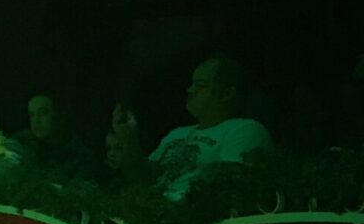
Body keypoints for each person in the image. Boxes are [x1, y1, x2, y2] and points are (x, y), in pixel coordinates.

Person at [112, 54, 271, 200]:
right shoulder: (176, 134)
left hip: (192, 218)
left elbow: (232, 186)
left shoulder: (245, 130)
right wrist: (129, 138)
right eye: (192, 84)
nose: (190, 90)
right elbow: (140, 179)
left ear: (227, 94)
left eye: (200, 85)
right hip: (155, 214)